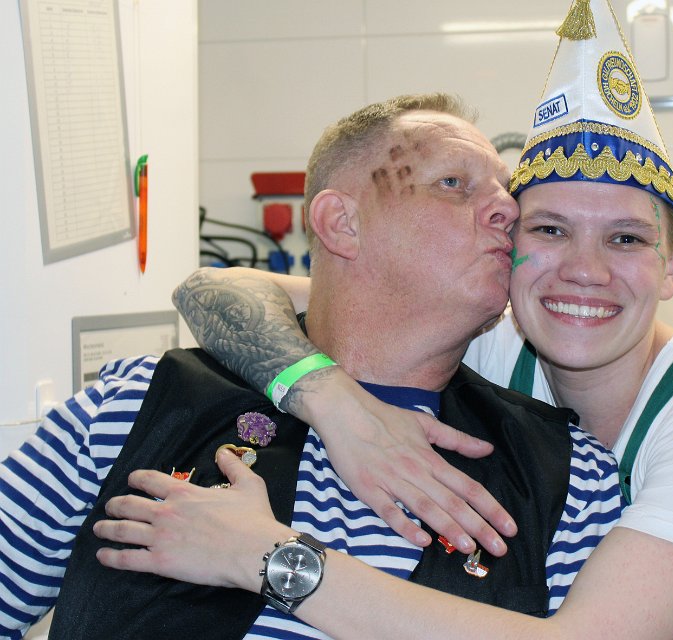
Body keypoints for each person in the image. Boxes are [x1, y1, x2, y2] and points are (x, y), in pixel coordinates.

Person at [97, 1, 673, 638]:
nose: (584, 270)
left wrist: (266, 556)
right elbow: (217, 288)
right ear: (510, 245)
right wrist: (333, 402)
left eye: (626, 238)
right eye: (549, 230)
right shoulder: (493, 339)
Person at [0, 93, 624, 640]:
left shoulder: (569, 475)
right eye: (453, 184)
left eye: (505, 193)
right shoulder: (139, 401)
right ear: (340, 224)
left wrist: (269, 557)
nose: (507, 210)